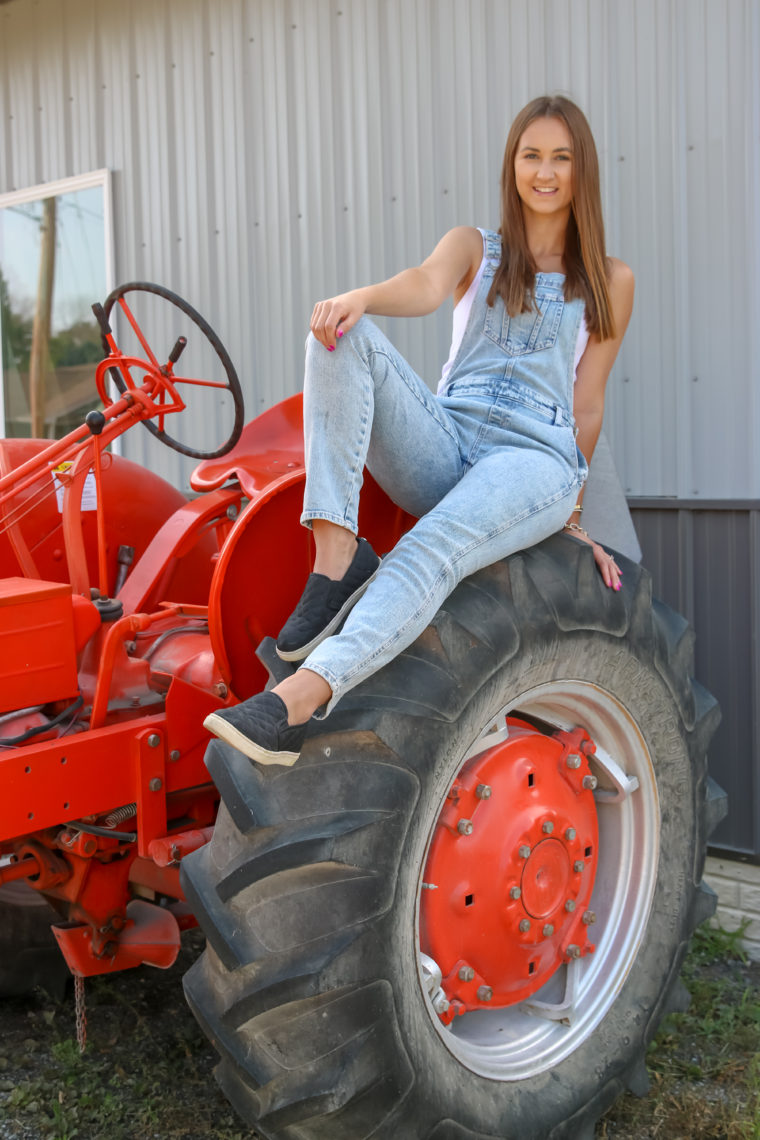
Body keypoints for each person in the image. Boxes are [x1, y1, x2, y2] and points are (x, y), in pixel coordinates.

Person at [205, 94, 635, 767]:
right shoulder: (476, 247)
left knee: (434, 543)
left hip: (534, 458)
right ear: (512, 165)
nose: (545, 172)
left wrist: (569, 515)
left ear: (583, 171)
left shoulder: (611, 279)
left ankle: (295, 702)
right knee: (339, 337)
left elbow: (588, 405)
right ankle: (337, 561)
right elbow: (425, 284)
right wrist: (363, 299)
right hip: (451, 433)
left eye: (562, 157)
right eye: (531, 156)